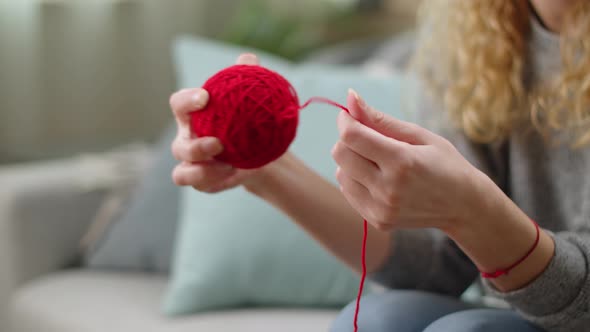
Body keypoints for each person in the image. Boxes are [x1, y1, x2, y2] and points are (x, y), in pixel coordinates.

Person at [168, 0, 590, 331]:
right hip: (523, 307)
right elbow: (440, 267)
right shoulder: (477, 40)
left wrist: (475, 212)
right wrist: (267, 173)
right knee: (378, 320)